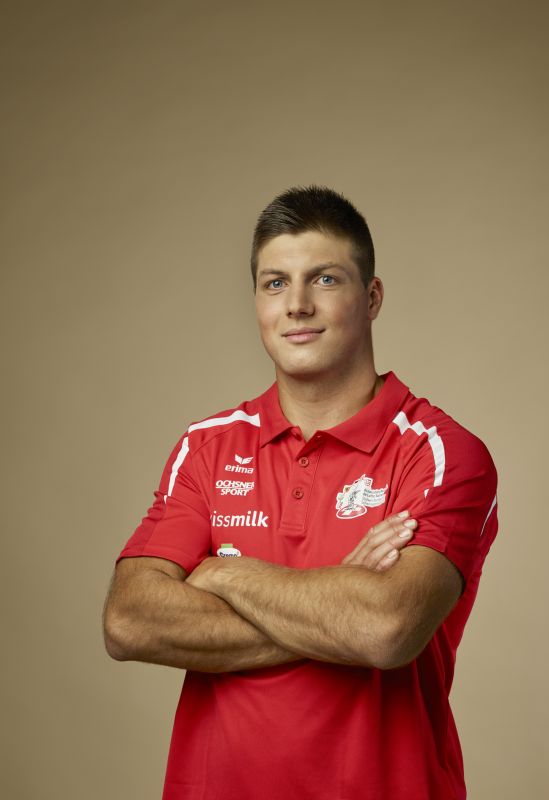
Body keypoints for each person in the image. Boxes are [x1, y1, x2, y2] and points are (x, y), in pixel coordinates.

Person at [103, 185, 499, 800]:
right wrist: (339, 596)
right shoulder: (206, 448)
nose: (297, 306)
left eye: (325, 279)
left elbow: (385, 629)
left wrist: (222, 574)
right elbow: (129, 621)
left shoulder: (441, 452)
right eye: (275, 283)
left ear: (372, 297)